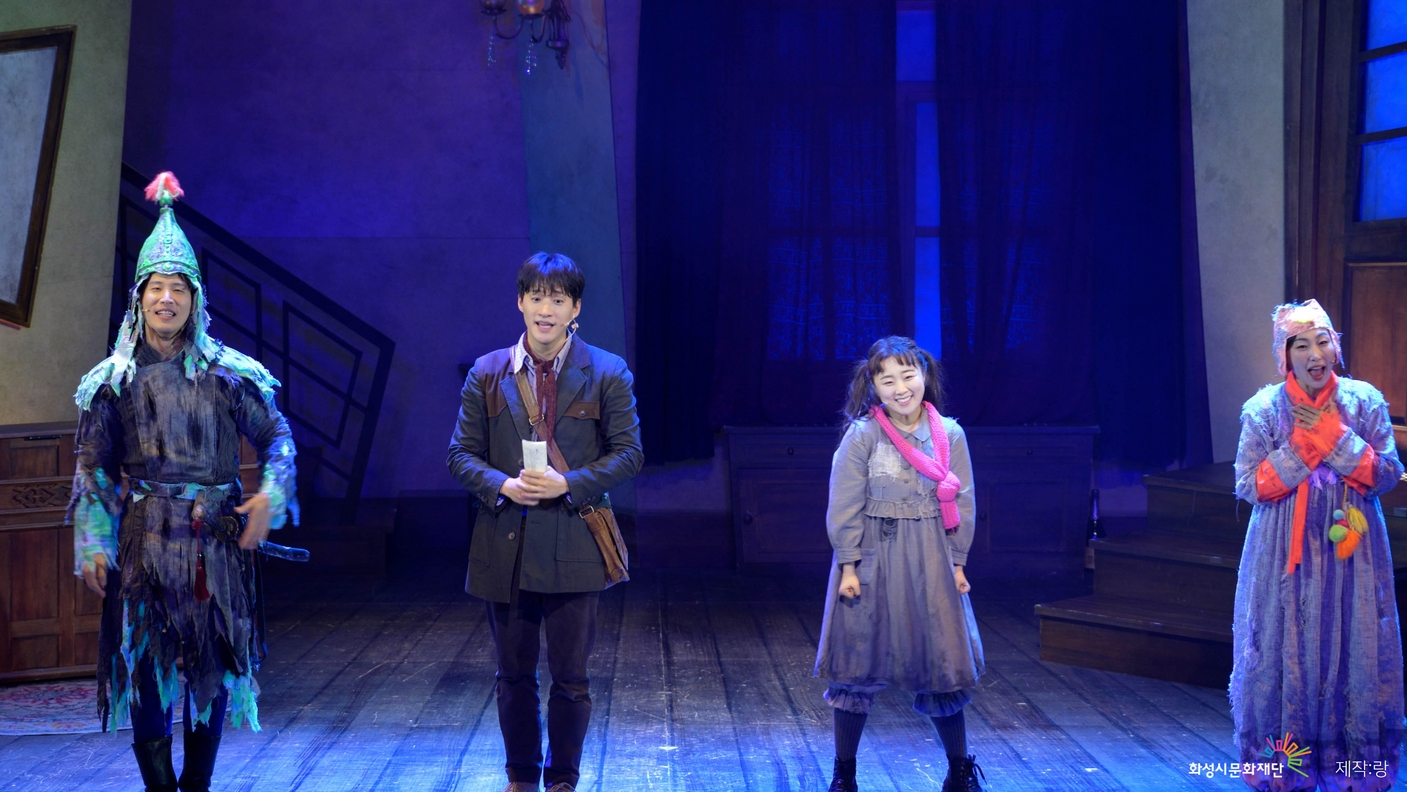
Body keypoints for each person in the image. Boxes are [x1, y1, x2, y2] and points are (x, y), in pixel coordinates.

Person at [67, 173, 297, 792]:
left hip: (211, 547)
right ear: (139, 298)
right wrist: (92, 538)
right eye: (156, 287)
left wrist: (271, 493)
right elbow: (92, 465)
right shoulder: (112, 381)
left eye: (178, 288)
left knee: (210, 669)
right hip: (144, 545)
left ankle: (196, 784)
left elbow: (277, 436)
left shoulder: (229, 373)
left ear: (195, 299)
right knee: (145, 670)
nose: (166, 299)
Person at [447, 252, 643, 792]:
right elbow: (460, 455)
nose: (546, 309)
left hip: (573, 542)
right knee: (513, 676)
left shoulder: (607, 372)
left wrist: (569, 482)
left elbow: (629, 454)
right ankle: (521, 777)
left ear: (575, 308)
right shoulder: (488, 372)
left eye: (558, 299)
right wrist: (502, 484)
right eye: (537, 297)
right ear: (520, 302)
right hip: (504, 542)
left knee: (571, 678)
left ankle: (562, 780)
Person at [1230, 300, 1403, 791]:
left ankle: (1352, 766)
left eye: (1323, 341)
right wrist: (1306, 445)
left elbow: (1387, 474)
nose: (1315, 354)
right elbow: (1248, 483)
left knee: (1354, 641)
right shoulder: (1264, 410)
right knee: (1283, 642)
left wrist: (1334, 436)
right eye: (1301, 345)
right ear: (1284, 355)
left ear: (1336, 347)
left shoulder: (1364, 402)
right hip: (1282, 552)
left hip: (1352, 549)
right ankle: (1284, 765)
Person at [814, 336, 986, 792]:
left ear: (924, 376)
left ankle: (959, 770)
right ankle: (845, 773)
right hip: (873, 555)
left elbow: (964, 501)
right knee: (855, 663)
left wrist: (958, 562)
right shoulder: (863, 434)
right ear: (873, 385)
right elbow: (844, 505)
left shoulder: (949, 434)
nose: (900, 388)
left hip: (931, 555)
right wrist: (849, 566)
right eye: (887, 379)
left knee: (942, 662)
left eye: (907, 376)